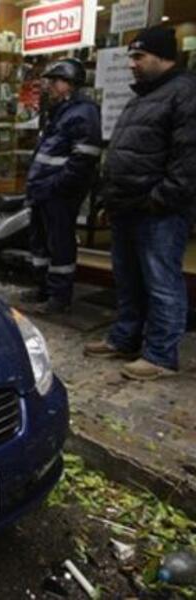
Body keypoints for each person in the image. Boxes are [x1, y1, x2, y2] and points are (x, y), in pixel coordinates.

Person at [84, 27, 196, 381]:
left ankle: (160, 355)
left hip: (157, 211)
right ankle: (125, 338)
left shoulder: (185, 93)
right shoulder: (143, 95)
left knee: (161, 282)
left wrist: (159, 200)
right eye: (131, 56)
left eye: (138, 56)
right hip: (127, 207)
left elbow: (188, 161)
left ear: (164, 57)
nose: (131, 64)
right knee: (128, 278)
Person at [21, 58, 102, 315]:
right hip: (44, 190)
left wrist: (57, 185)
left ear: (70, 84)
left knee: (60, 245)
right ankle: (43, 288)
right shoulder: (60, 110)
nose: (50, 86)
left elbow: (84, 159)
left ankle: (59, 296)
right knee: (41, 243)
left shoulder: (83, 112)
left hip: (59, 193)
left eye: (55, 81)